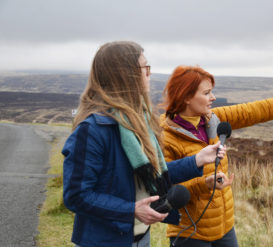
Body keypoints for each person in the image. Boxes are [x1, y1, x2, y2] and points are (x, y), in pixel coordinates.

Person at [62, 42, 227, 247]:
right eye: (145, 68)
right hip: (104, 241)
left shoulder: (138, 121)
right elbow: (76, 195)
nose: (149, 73)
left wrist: (198, 160)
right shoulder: (93, 130)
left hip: (141, 238)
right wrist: (131, 210)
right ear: (126, 75)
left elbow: (152, 173)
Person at [160, 65, 273, 246]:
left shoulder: (213, 119)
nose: (213, 98)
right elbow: (166, 188)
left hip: (225, 227)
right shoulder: (165, 137)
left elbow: (255, 110)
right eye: (206, 93)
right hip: (190, 233)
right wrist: (205, 184)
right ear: (187, 96)